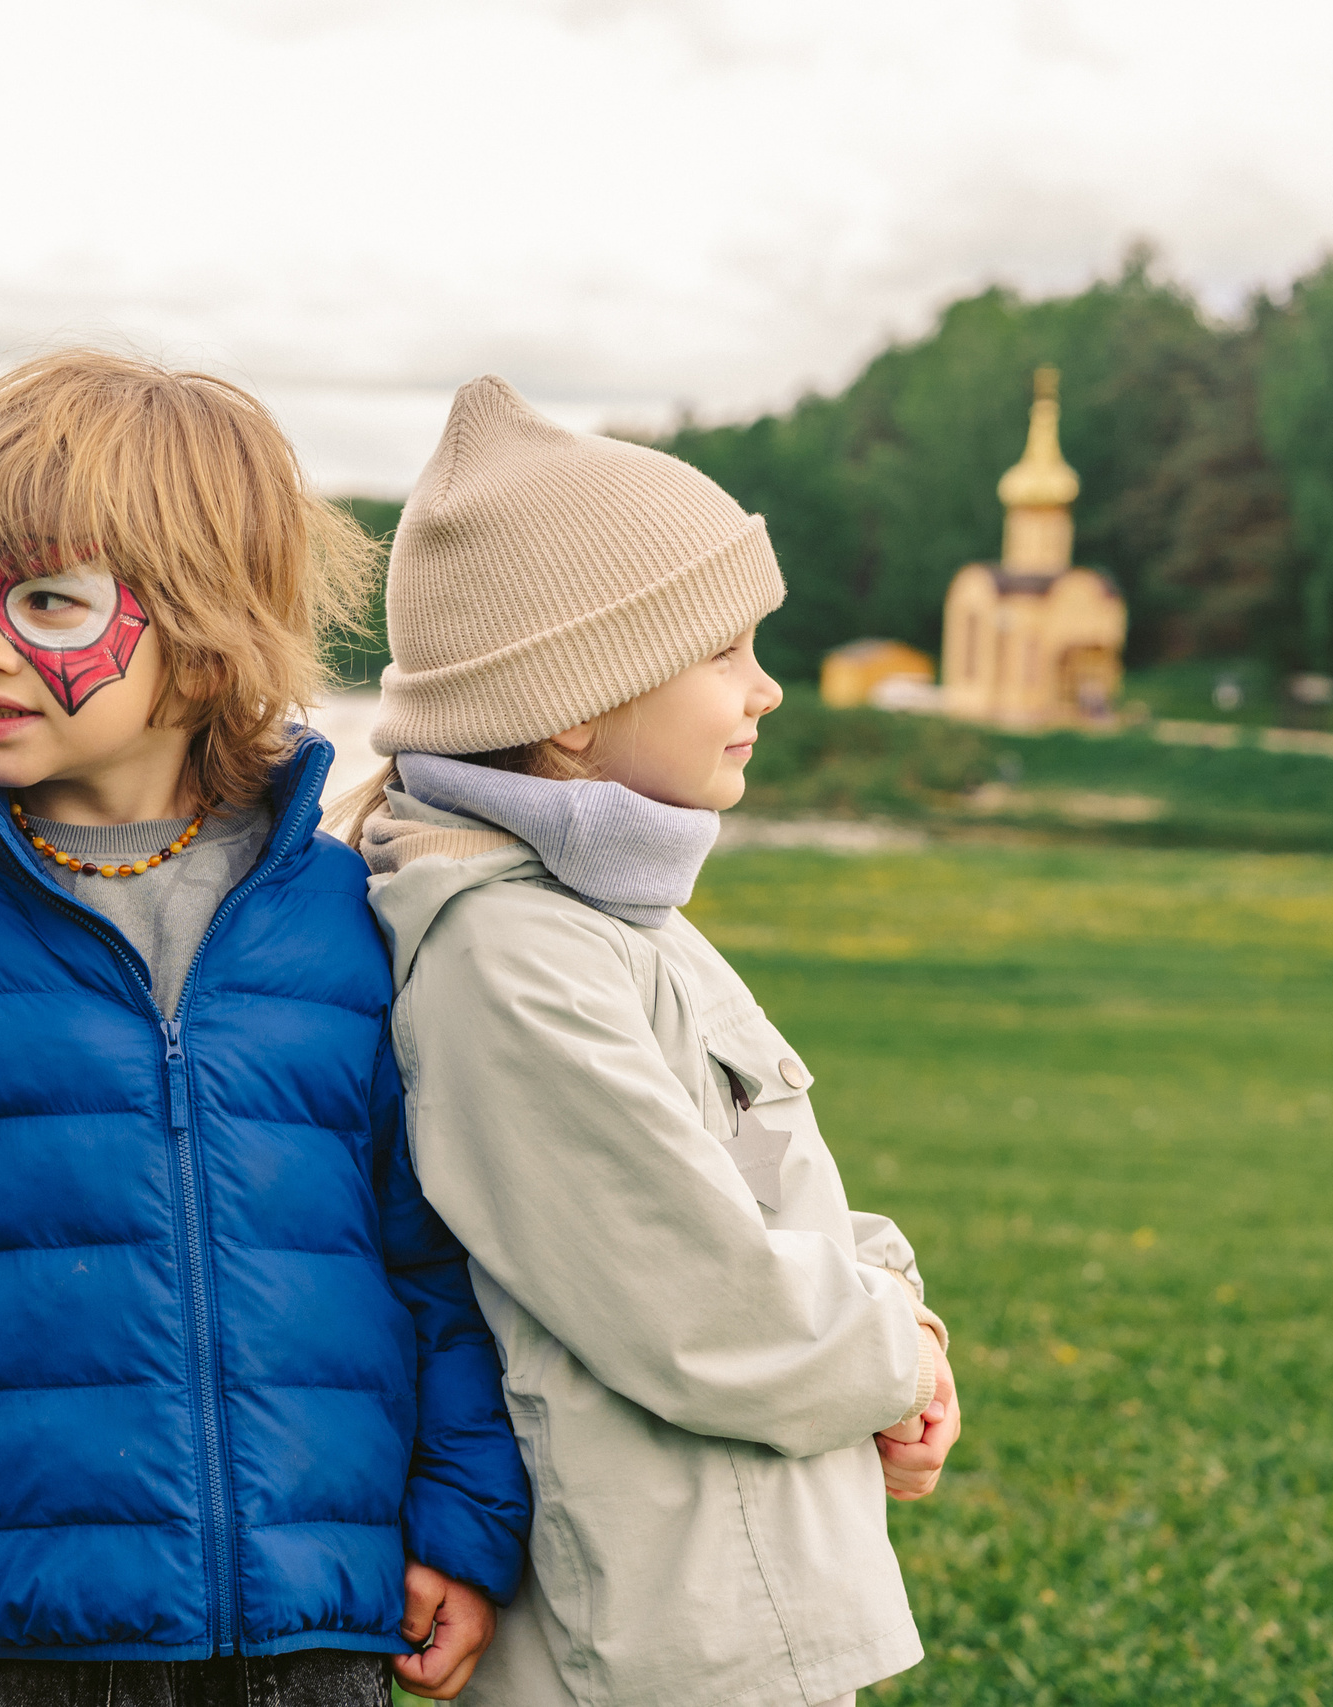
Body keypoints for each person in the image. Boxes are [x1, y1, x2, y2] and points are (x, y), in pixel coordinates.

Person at [0, 350, 532, 1707]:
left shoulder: (348, 912)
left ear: (205, 630)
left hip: (323, 1620)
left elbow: (437, 1251)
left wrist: (463, 1521)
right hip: (35, 1628)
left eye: (46, 601)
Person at [335, 377, 961, 1707]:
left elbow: (762, 1194)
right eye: (725, 652)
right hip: (659, 1634)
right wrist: (890, 1347)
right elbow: (697, 1306)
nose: (769, 690)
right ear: (577, 702)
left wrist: (902, 1322)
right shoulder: (506, 960)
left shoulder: (614, 916)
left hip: (735, 1589)